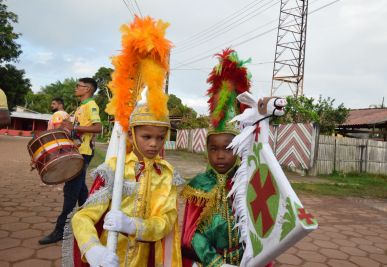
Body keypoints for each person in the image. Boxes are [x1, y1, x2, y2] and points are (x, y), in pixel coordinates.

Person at [66, 103, 182, 266]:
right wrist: (93, 249)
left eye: (160, 137)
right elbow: (83, 216)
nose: (154, 144)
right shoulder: (114, 169)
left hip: (147, 259)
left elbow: (167, 221)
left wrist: (133, 226)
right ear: (130, 134)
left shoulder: (166, 173)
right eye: (147, 137)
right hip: (112, 256)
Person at [181, 49, 252, 267]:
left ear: (239, 149)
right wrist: (216, 262)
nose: (220, 155)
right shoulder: (199, 186)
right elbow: (190, 234)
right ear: (206, 150)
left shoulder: (248, 182)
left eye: (228, 148)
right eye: (214, 149)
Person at [38, 77, 102, 245]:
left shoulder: (91, 106)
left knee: (70, 191)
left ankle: (61, 230)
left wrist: (73, 127)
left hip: (83, 153)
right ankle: (91, 222)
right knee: (80, 190)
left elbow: (98, 127)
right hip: (76, 152)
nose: (75, 88)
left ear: (87, 89)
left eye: (78, 86)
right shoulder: (80, 107)